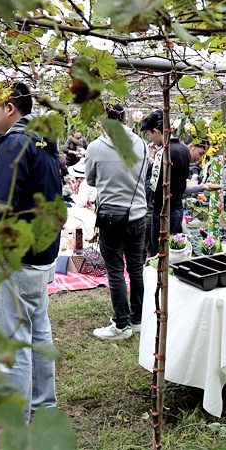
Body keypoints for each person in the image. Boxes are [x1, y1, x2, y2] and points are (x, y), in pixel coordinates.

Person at [0, 82, 63, 421]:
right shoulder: (42, 140)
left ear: (9, 108)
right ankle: (43, 404)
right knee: (37, 331)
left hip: (14, 259)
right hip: (40, 255)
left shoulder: (12, 143)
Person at [84, 103, 149, 341]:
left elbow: (91, 180)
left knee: (115, 270)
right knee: (136, 268)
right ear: (125, 121)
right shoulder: (142, 144)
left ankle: (121, 325)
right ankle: (138, 318)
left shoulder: (96, 147)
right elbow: (143, 176)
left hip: (111, 217)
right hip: (138, 215)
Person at [140, 109, 191, 256]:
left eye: (149, 134)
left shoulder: (164, 153)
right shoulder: (183, 149)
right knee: (174, 252)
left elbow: (153, 186)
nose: (149, 138)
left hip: (162, 212)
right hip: (177, 209)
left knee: (159, 255)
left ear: (156, 131)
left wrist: (150, 164)